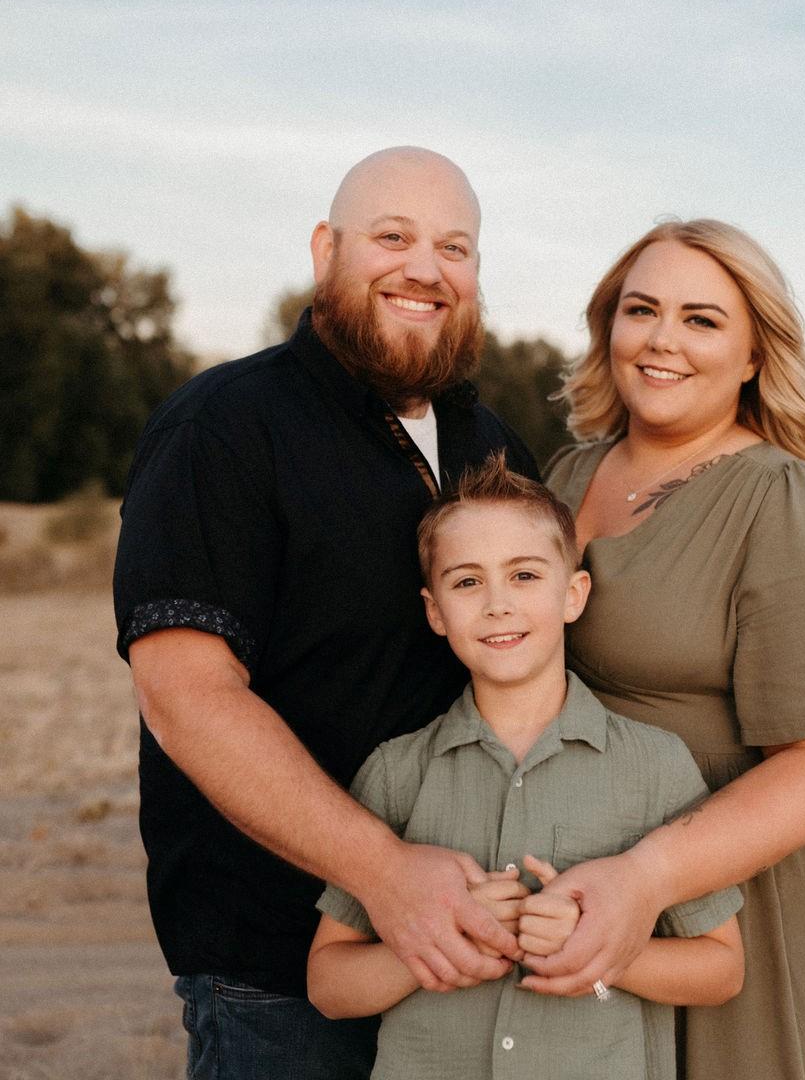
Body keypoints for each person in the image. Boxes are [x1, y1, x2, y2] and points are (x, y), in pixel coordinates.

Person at [113, 147, 539, 1080]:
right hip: (280, 981)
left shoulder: (492, 445)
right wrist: (386, 876)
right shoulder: (222, 428)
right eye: (393, 237)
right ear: (325, 250)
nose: (425, 269)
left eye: (455, 248)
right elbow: (186, 696)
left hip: (477, 961)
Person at [541, 218, 805, 1080]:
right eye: (641, 310)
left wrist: (648, 878)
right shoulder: (562, 480)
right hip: (598, 886)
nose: (663, 340)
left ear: (752, 357)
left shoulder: (784, 501)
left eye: (702, 320)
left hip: (757, 898)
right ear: (608, 329)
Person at [307, 455, 744, 1080]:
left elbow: (722, 969)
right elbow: (329, 982)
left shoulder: (656, 766)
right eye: (466, 583)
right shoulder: (394, 773)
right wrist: (437, 940)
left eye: (524, 576)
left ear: (574, 594)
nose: (496, 605)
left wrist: (601, 951)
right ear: (435, 612)